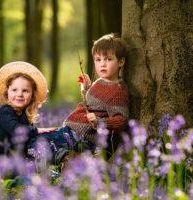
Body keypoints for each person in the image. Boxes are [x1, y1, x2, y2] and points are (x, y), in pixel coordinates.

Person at [27, 33, 129, 164]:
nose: (102, 64)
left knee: (35, 142)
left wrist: (100, 122)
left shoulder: (117, 90)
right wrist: (87, 87)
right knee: (33, 141)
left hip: (81, 137)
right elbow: (96, 103)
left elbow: (121, 120)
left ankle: (69, 160)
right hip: (72, 131)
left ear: (121, 61)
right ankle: (63, 162)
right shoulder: (102, 82)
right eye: (98, 60)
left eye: (108, 59)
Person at [0, 61, 52, 163]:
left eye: (25, 91)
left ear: (32, 95)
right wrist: (38, 130)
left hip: (17, 164)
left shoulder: (25, 115)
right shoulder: (5, 111)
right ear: (7, 92)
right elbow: (17, 130)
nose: (19, 94)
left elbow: (27, 142)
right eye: (14, 90)